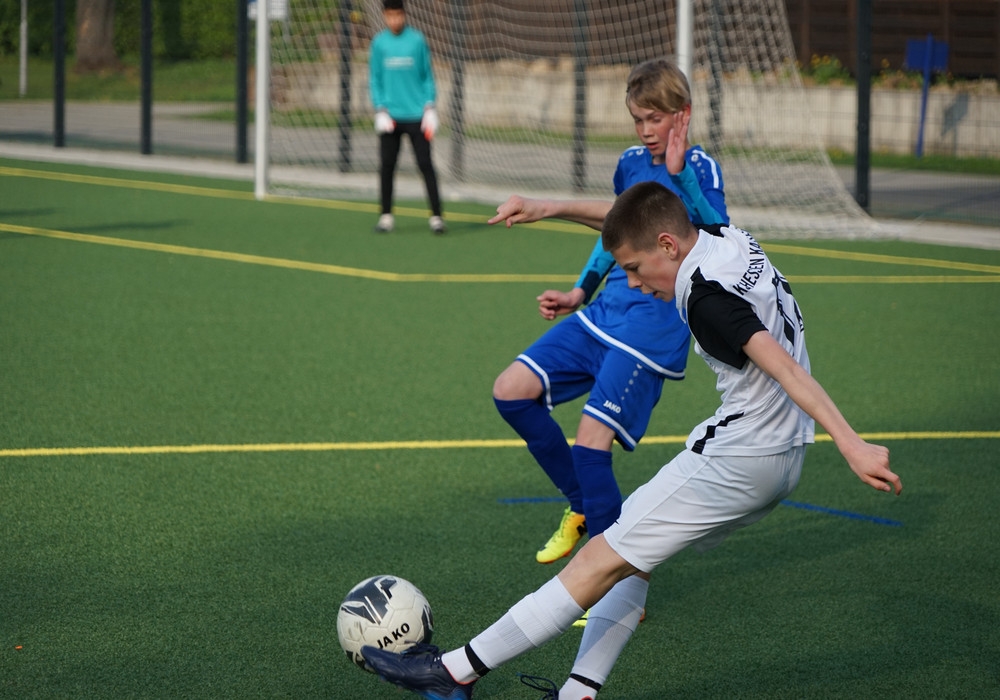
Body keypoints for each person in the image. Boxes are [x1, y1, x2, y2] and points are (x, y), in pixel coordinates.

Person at [360, 181, 903, 700]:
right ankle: (578, 692)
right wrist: (548, 208)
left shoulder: (705, 296)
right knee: (633, 556)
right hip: (781, 457)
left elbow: (784, 368)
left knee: (596, 562)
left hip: (740, 456)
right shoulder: (724, 237)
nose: (637, 284)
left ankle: (452, 672)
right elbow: (630, 220)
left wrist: (850, 442)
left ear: (667, 246)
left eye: (635, 270)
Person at [487, 58, 726, 575]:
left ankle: (612, 589)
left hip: (652, 328)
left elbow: (718, 235)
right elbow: (616, 234)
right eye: (638, 120)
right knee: (510, 390)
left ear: (683, 114)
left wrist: (681, 175)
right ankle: (582, 505)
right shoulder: (630, 162)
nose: (646, 130)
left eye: (655, 119)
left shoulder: (700, 168)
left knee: (590, 443)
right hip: (604, 311)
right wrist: (580, 290)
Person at [369, 0, 446, 234]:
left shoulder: (417, 40)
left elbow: (427, 76)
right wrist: (380, 109)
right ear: (384, 16)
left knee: (425, 164)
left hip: (416, 116)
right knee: (387, 166)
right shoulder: (379, 43)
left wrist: (430, 107)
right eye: (390, 15)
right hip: (390, 117)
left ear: (404, 14)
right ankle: (386, 216)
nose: (395, 20)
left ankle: (436, 217)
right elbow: (375, 79)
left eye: (398, 15)